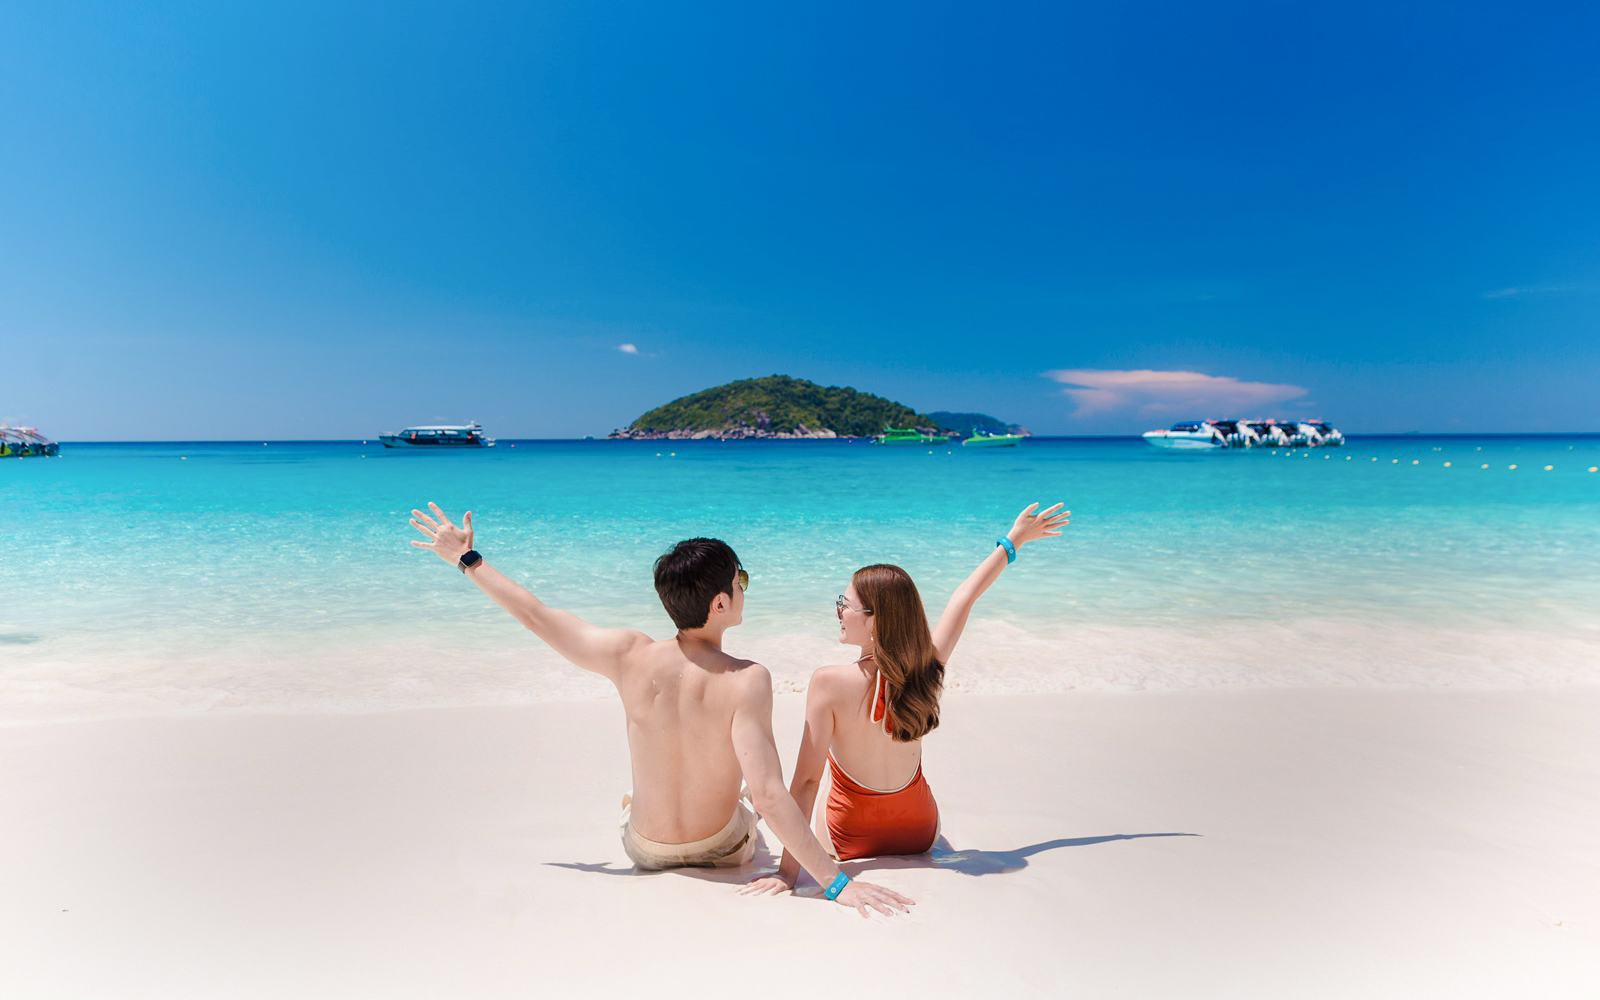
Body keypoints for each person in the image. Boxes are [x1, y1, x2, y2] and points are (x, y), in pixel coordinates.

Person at [408, 503, 912, 916]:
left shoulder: (628, 655)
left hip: (645, 849)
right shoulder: (746, 678)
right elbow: (769, 795)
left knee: (643, 798)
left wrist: (467, 560)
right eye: (740, 580)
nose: (744, 588)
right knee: (748, 797)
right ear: (719, 604)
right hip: (723, 847)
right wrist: (836, 884)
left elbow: (536, 616)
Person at [742, 502, 1069, 894]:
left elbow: (808, 782)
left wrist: (787, 874)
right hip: (919, 831)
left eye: (844, 605)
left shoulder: (828, 682)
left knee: (825, 782)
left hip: (848, 837)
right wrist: (1012, 542)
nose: (838, 612)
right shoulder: (926, 667)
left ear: (875, 619)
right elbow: (965, 597)